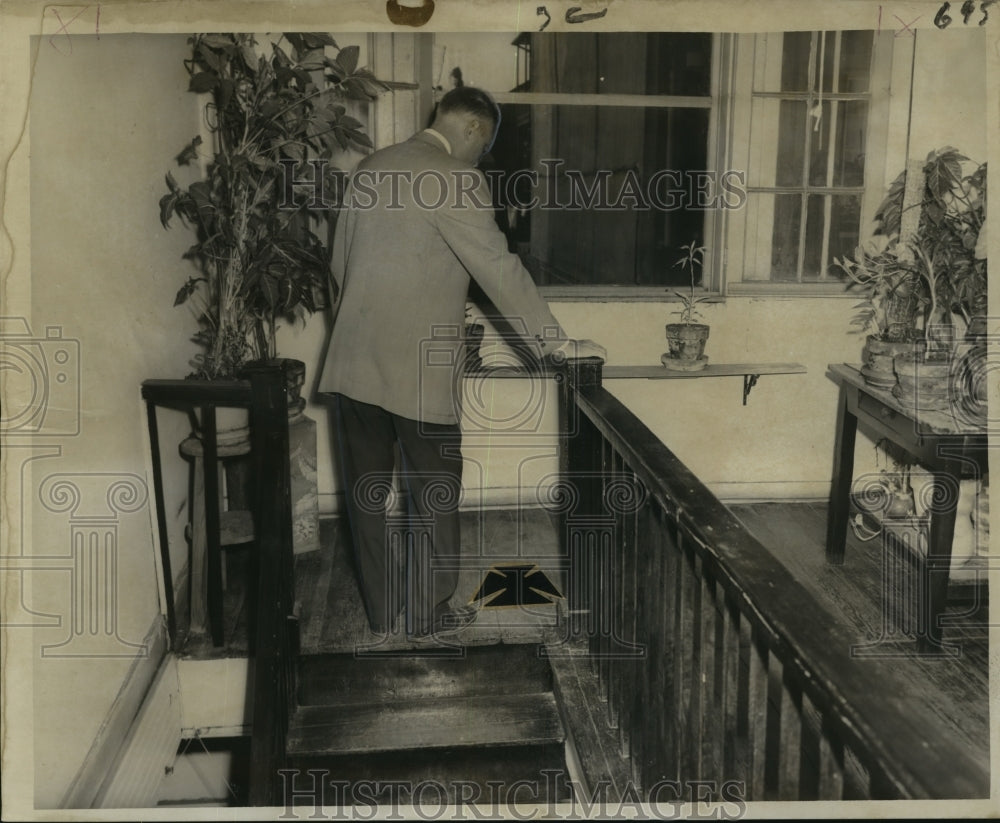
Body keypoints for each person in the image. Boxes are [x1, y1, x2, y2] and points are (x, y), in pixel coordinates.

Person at [319, 86, 605, 641]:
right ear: (474, 129)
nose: (481, 157)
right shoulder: (458, 177)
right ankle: (429, 614)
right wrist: (555, 344)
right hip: (418, 376)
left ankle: (380, 616)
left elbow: (340, 267)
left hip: (352, 364)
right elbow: (498, 268)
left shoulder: (371, 168)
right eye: (485, 144)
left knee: (366, 497)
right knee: (434, 491)